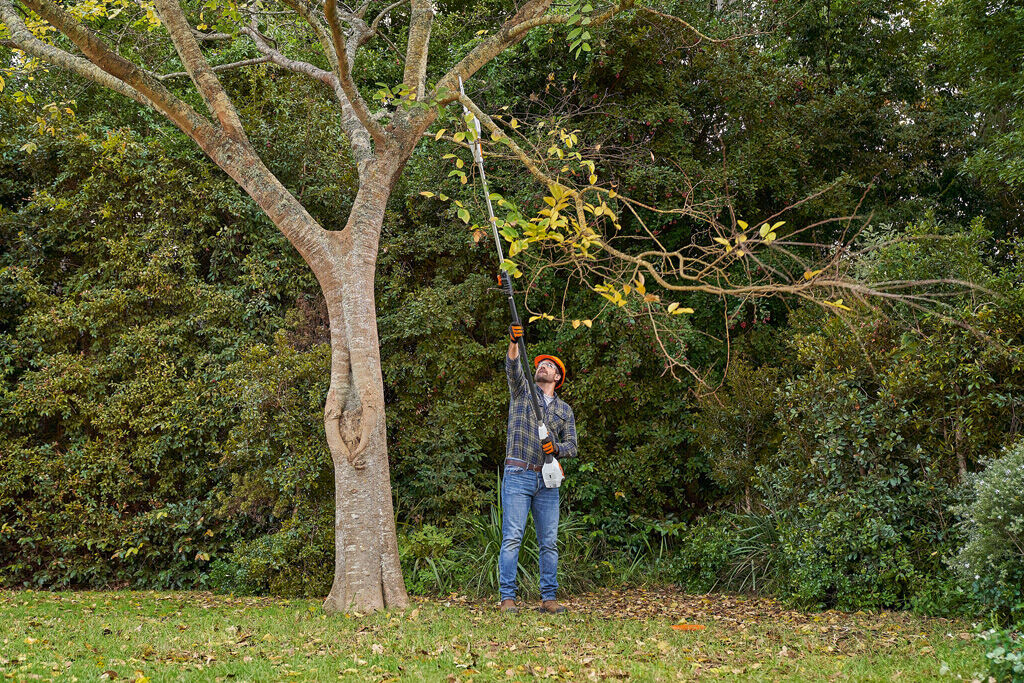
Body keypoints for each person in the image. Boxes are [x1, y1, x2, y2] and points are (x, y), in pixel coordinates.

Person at [500, 323, 578, 614]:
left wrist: (556, 449)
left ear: (557, 377)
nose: (542, 367)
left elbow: (572, 446)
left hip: (547, 481)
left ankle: (549, 599)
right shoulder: (523, 392)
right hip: (518, 474)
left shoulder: (564, 410)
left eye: (549, 366)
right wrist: (514, 341)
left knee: (549, 542)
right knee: (512, 538)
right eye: (540, 365)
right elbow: (512, 366)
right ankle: (507, 599)